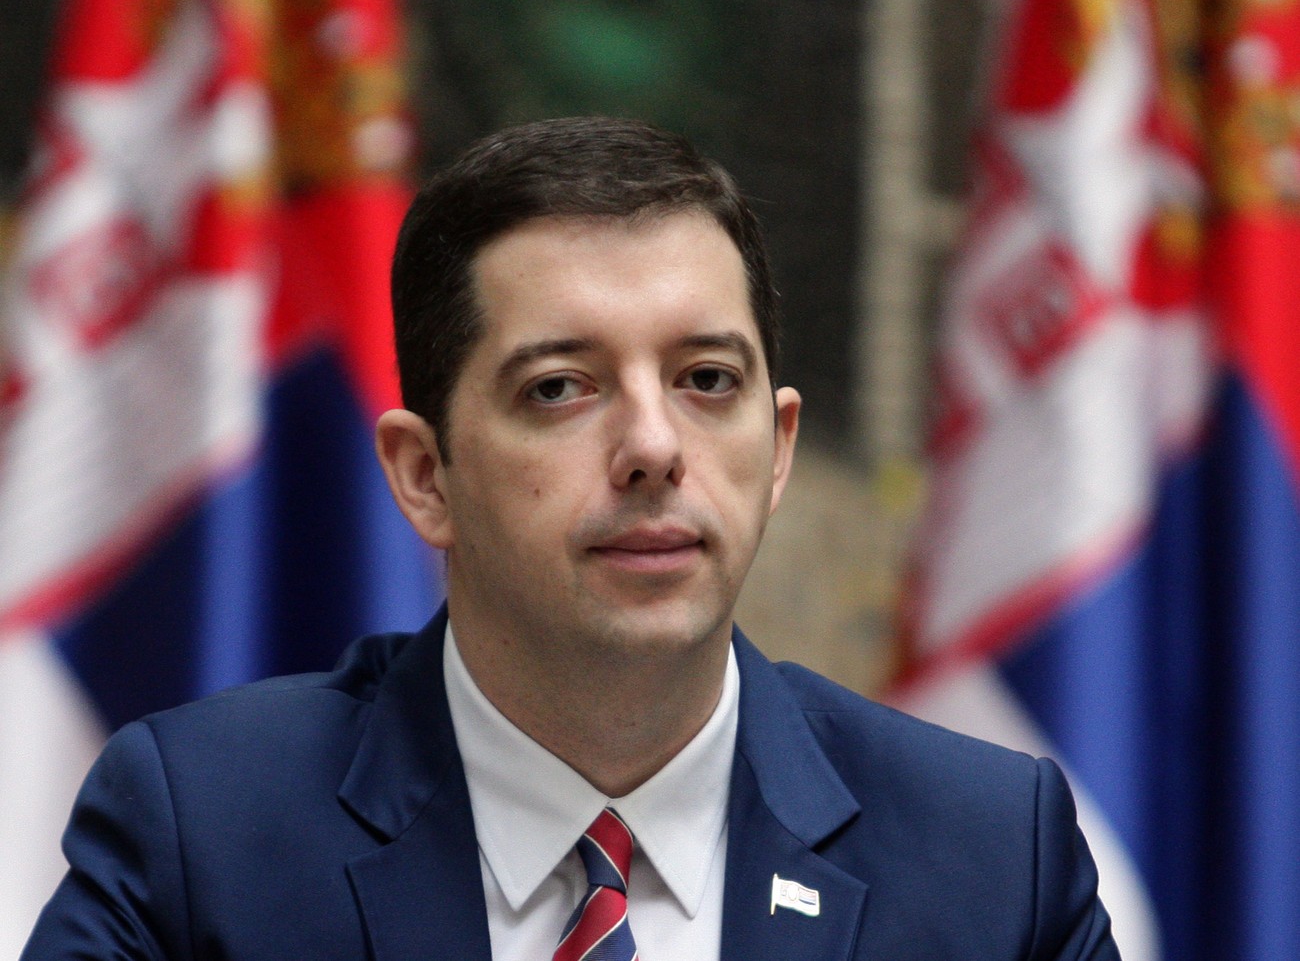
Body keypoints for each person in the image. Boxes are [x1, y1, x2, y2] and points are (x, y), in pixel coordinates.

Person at [22, 116, 1120, 961]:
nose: (654, 446)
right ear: (424, 475)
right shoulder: (200, 834)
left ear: (778, 448)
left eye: (706, 380)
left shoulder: (992, 858)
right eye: (559, 387)